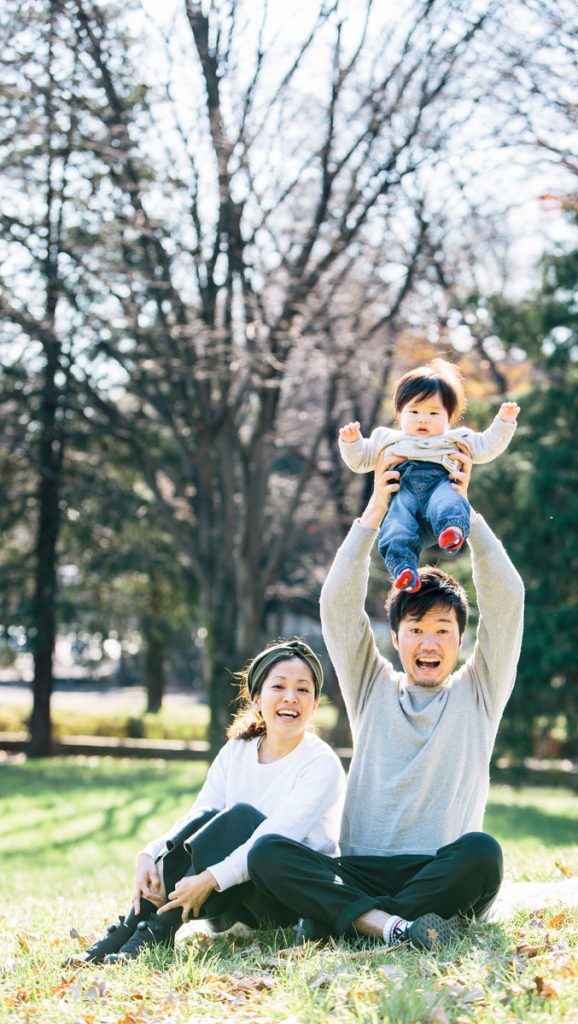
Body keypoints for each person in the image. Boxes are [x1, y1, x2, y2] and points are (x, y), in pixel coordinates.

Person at [247, 450, 524, 951]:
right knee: (267, 851)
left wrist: (467, 514)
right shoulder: (372, 685)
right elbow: (336, 606)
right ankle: (393, 925)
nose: (429, 642)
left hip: (440, 870)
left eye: (443, 630)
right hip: (359, 869)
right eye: (416, 629)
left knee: (483, 853)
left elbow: (508, 601)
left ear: (462, 639)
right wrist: (374, 514)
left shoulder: (479, 691)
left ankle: (350, 922)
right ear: (394, 638)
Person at [65, 639, 345, 965]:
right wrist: (150, 853)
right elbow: (198, 814)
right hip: (239, 898)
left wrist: (209, 879)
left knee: (240, 818)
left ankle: (155, 932)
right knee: (210, 815)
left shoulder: (320, 763)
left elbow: (277, 838)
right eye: (278, 686)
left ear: (314, 704)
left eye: (303, 690)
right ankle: (132, 928)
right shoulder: (238, 751)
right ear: (257, 699)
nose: (290, 698)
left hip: (290, 897)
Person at [338, 358, 520, 592]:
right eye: (414, 411)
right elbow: (360, 462)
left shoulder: (456, 439)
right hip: (402, 491)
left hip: (439, 484)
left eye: (434, 413)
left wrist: (504, 422)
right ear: (399, 413)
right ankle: (404, 570)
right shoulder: (386, 438)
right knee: (396, 525)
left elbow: (486, 447)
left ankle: (452, 530)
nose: (423, 418)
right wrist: (351, 441)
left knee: (449, 500)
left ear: (449, 417)